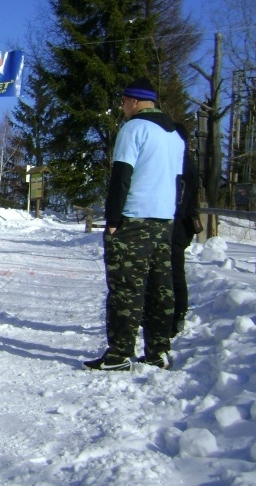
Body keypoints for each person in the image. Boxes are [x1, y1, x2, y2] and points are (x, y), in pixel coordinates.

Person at [84, 77, 185, 371]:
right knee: (159, 288)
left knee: (126, 290)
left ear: (135, 101)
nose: (122, 106)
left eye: (124, 101)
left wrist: (113, 219)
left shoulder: (134, 129)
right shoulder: (174, 134)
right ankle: (158, 350)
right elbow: (180, 180)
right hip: (164, 219)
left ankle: (119, 354)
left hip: (134, 219)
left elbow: (121, 175)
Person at [151, 123, 200, 338]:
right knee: (170, 271)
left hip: (178, 225)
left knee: (174, 272)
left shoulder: (183, 164)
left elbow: (179, 199)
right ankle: (171, 314)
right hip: (177, 223)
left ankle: (177, 315)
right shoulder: (182, 161)